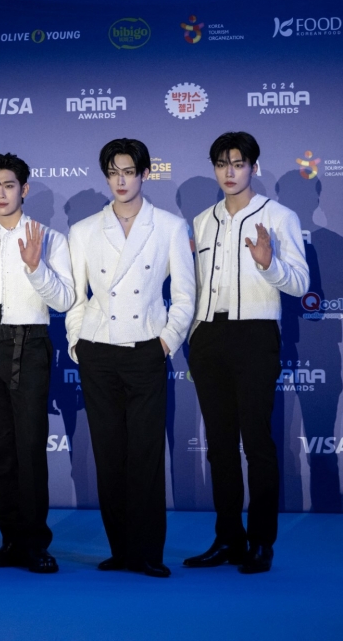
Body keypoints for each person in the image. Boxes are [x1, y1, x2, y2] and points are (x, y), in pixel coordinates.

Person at [65, 138, 195, 578]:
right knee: (108, 453)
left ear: (144, 174)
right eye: (113, 172)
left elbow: (184, 298)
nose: (121, 180)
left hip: (145, 348)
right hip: (98, 351)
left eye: (129, 171)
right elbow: (75, 298)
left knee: (145, 454)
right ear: (106, 176)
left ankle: (148, 553)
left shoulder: (171, 227)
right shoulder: (83, 230)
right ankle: (120, 549)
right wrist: (77, 343)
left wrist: (165, 341)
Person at [184, 132, 309, 574]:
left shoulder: (280, 217)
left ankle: (261, 542)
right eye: (222, 163)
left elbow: (299, 284)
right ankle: (228, 538)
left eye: (238, 163)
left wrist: (267, 262)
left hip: (256, 335)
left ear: (254, 166)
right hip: (208, 338)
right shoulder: (201, 220)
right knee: (219, 447)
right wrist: (194, 332)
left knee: (257, 443)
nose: (230, 171)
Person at [0, 153, 75, 574]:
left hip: (30, 342)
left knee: (29, 449)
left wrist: (35, 267)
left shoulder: (50, 238)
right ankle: (9, 540)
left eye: (8, 185)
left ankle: (35, 543)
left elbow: (64, 300)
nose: (0, 194)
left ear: (24, 189)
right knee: (0, 453)